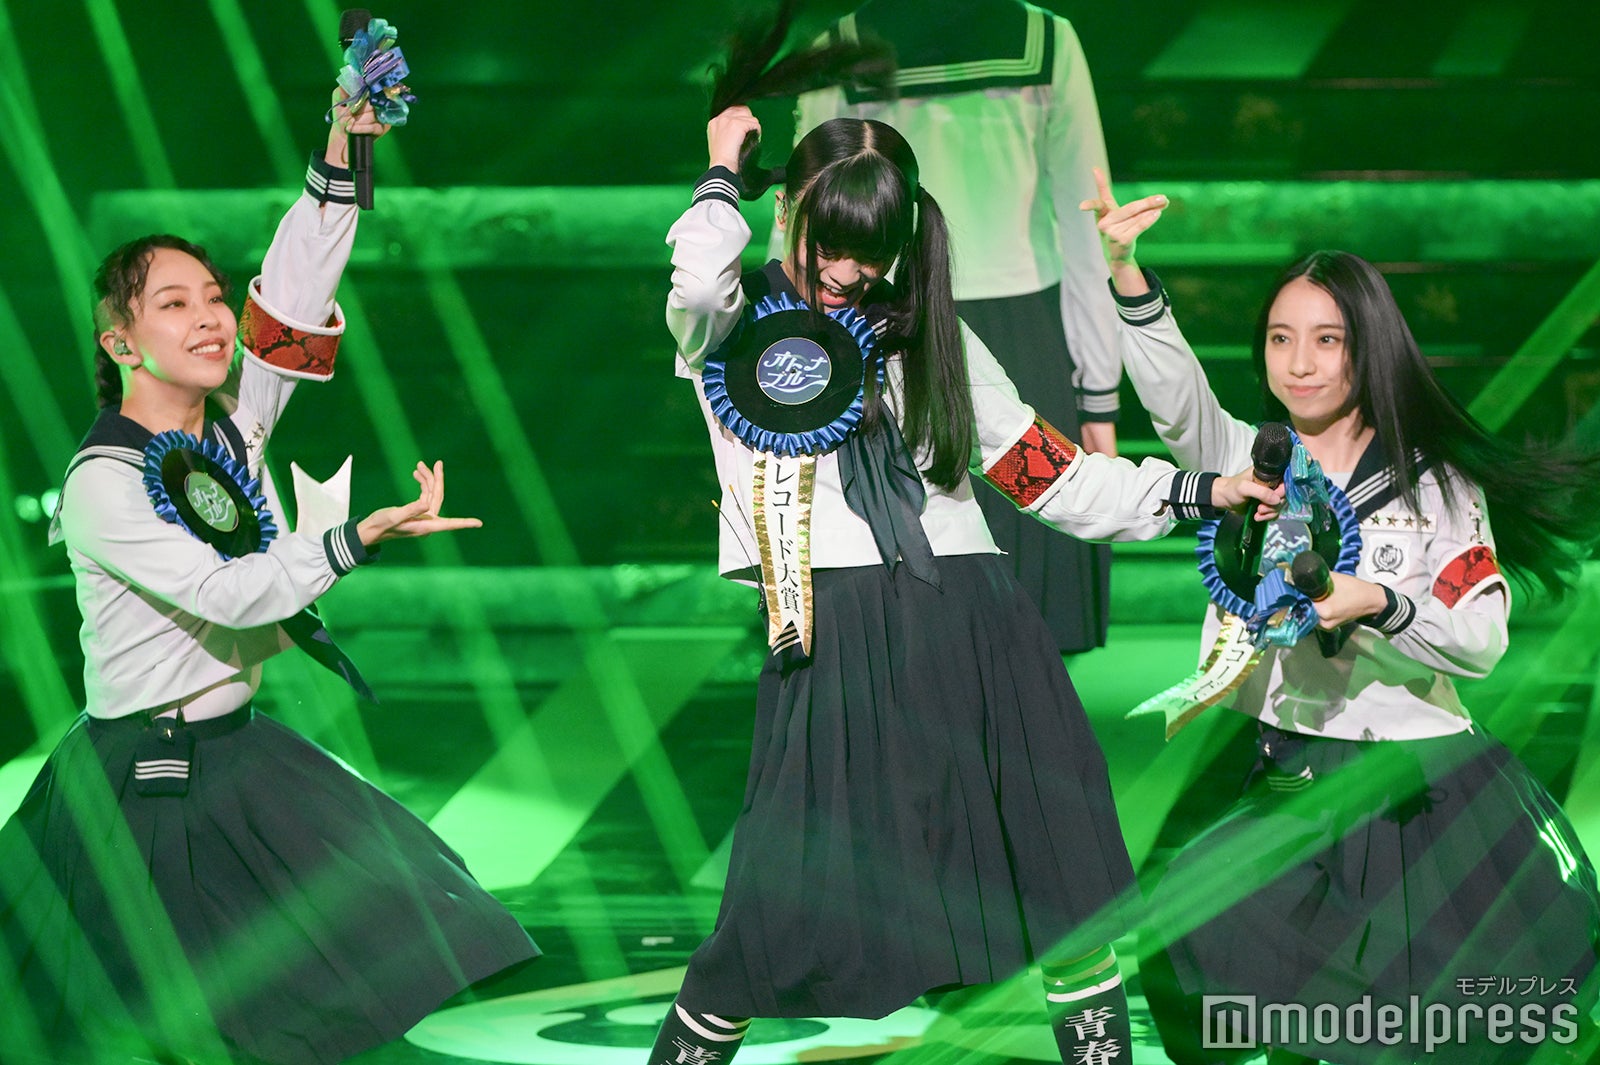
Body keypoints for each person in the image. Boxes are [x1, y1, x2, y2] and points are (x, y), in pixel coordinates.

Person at [647, 17, 1285, 1065]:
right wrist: (721, 170)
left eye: (868, 254)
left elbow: (1051, 476)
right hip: (834, 638)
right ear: (787, 213)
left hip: (977, 624)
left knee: (1062, 892)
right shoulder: (731, 331)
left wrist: (1200, 490)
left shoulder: (930, 336)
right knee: (768, 915)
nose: (844, 275)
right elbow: (694, 281)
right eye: (825, 245)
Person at [0, 90, 538, 1065]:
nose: (211, 318)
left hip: (242, 759)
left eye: (214, 297)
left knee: (402, 940)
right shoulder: (102, 483)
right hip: (139, 792)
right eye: (175, 305)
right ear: (120, 344)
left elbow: (293, 292)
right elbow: (226, 594)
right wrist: (352, 539)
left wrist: (342, 146)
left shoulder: (233, 428)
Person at [1084, 170, 1600, 1064]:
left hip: (1421, 788)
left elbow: (1481, 641)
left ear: (1372, 348)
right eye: (1281, 338)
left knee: (1444, 1028)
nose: (1300, 362)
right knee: (1210, 957)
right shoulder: (1251, 463)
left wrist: (1381, 602)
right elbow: (1177, 403)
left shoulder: (1438, 482)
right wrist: (1126, 270)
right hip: (1294, 779)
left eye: (1327, 340)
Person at [782, 0, 1120, 653]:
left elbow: (1087, 220)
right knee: (911, 588)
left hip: (993, 328)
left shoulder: (1045, 39)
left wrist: (1098, 390)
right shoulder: (1041, 38)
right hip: (890, 323)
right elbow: (807, 218)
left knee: (1016, 600)